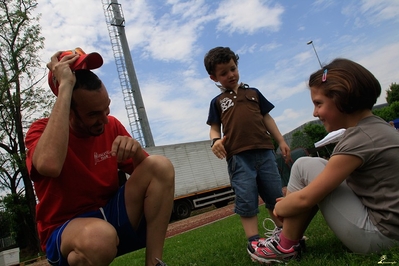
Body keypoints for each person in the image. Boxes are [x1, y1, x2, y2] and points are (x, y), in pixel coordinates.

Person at [25, 48, 175, 266]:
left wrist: (135, 154)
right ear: (67, 107)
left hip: (110, 215)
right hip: (66, 229)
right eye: (94, 114)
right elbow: (49, 165)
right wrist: (65, 86)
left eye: (106, 109)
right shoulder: (40, 131)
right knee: (99, 239)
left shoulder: (111, 124)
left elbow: (153, 181)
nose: (104, 121)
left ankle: (155, 264)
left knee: (160, 165)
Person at [248, 58, 399, 264]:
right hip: (390, 229)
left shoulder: (358, 139)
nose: (314, 112)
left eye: (318, 103)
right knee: (315, 166)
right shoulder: (377, 128)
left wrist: (283, 208)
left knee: (303, 165)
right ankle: (288, 239)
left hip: (380, 238)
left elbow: (305, 200)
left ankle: (285, 245)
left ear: (340, 98)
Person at [204, 46, 291, 260]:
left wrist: (280, 140)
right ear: (214, 77)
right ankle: (254, 242)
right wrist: (215, 141)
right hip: (238, 157)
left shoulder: (254, 93)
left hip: (265, 152)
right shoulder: (217, 102)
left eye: (233, 68)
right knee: (246, 198)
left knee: (275, 196)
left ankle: (284, 237)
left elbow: (267, 118)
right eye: (224, 73)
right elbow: (214, 127)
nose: (230, 75)